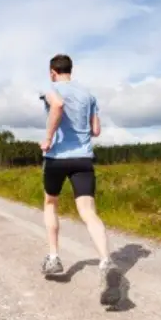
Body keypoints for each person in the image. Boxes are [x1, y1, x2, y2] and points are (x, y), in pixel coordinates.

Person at [39, 53, 121, 306]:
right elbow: (96, 130)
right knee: (87, 211)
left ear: (53, 72)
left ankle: (53, 258)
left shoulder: (50, 88)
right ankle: (106, 261)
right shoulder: (89, 95)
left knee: (51, 203)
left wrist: (49, 137)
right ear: (70, 70)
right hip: (83, 159)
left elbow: (58, 105)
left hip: (56, 158)